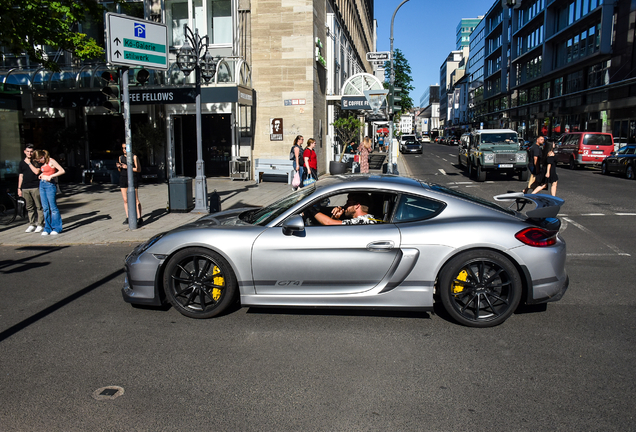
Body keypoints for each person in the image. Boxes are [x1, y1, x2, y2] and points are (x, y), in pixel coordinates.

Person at [33, 149, 65, 236]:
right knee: (45, 208)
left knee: (53, 208)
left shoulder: (52, 161)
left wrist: (51, 176)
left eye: (39, 159)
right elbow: (45, 171)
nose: (39, 161)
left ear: (42, 156)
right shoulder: (42, 164)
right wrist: (42, 175)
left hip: (50, 185)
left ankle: (57, 227)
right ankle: (47, 228)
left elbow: (62, 170)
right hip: (42, 184)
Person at [18, 144, 44, 233]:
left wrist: (29, 163)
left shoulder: (36, 161)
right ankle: (32, 224)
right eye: (28, 151)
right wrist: (19, 188)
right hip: (25, 187)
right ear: (24, 152)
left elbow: (37, 171)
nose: (29, 153)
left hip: (35, 186)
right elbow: (21, 176)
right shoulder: (21, 163)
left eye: (31, 151)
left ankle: (40, 224)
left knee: (39, 206)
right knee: (29, 207)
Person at [306, 193, 377, 225]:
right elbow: (332, 226)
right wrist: (335, 217)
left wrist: (310, 208)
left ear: (357, 205)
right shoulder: (367, 219)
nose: (345, 206)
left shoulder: (364, 221)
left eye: (348, 203)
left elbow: (328, 223)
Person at [117, 141, 143, 225]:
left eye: (125, 148)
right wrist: (119, 167)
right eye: (123, 148)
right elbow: (120, 170)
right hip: (123, 178)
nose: (124, 150)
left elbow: (138, 169)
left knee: (135, 199)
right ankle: (128, 217)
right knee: (125, 199)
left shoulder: (134, 157)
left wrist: (128, 167)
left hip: (132, 179)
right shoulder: (120, 157)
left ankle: (139, 217)